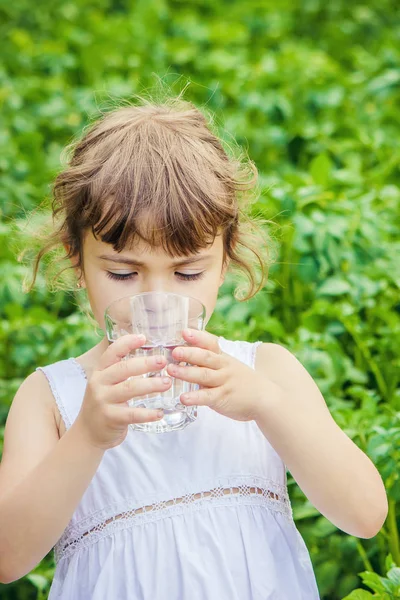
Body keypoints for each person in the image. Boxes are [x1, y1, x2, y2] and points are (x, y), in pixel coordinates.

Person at [0, 95, 387, 600]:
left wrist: (267, 404)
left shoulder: (266, 371)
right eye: (122, 272)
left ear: (226, 260)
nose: (156, 299)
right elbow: (8, 558)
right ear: (77, 261)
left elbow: (364, 515)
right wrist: (88, 437)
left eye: (187, 272)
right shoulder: (53, 397)